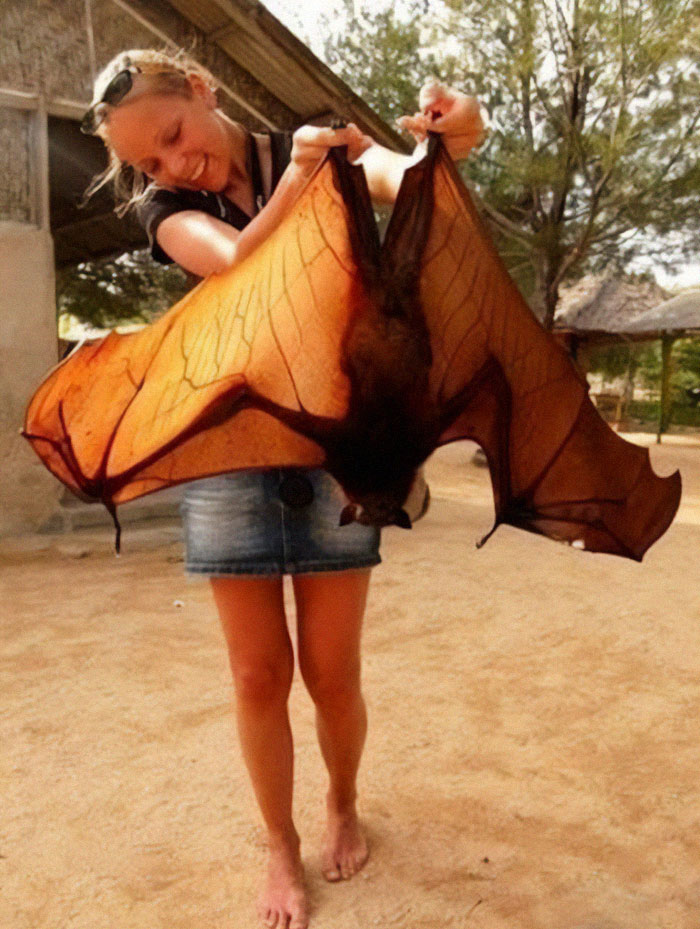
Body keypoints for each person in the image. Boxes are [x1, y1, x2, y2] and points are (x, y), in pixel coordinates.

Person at [81, 48, 487, 929]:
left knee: (332, 673)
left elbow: (404, 173)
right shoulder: (171, 210)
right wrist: (300, 182)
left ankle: (342, 799)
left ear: (201, 88)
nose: (175, 164)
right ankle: (279, 843)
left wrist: (457, 137)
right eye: (151, 162)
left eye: (176, 136)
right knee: (259, 673)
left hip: (334, 443)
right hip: (228, 449)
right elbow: (233, 261)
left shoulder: (314, 148)